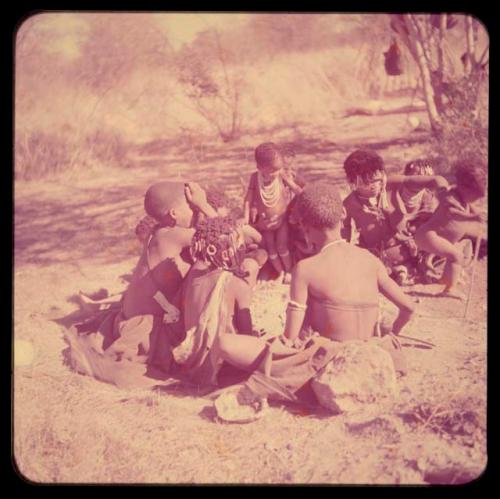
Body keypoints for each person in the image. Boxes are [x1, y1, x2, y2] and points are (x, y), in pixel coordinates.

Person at [65, 181, 219, 388]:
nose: (195, 211)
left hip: (131, 318)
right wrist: (204, 205)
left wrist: (197, 210)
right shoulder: (175, 236)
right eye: (190, 207)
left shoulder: (160, 232)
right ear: (174, 214)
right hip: (145, 332)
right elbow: (224, 237)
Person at [341, 149, 448, 278]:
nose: (373, 186)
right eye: (366, 182)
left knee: (441, 241)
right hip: (377, 254)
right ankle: (401, 271)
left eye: (377, 180)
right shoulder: (350, 204)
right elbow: (344, 230)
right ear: (353, 183)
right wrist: (344, 252)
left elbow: (411, 181)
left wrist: (436, 180)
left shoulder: (389, 186)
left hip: (407, 247)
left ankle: (415, 267)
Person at [414, 159, 487, 299]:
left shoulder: (463, 199)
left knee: (459, 251)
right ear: (465, 188)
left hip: (441, 236)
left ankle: (441, 273)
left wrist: (478, 214)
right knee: (456, 256)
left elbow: (473, 209)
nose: (475, 201)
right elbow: (452, 212)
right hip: (429, 235)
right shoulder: (450, 197)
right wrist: (471, 218)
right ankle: (448, 288)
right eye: (475, 197)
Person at [243, 142, 302, 283]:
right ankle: (279, 272)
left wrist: (298, 192)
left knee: (282, 246)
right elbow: (248, 199)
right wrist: (245, 217)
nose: (276, 173)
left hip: (281, 222)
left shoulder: (281, 175)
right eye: (272, 171)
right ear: (260, 168)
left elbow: (298, 190)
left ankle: (289, 271)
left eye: (279, 168)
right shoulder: (254, 178)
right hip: (265, 224)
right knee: (271, 250)